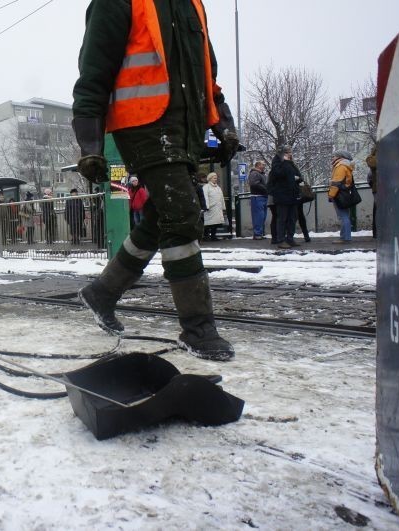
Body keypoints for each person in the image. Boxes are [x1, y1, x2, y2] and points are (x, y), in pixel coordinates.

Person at [72, 0, 240, 361]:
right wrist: (90, 145)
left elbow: (208, 76)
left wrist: (222, 125)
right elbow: (92, 76)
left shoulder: (192, 5)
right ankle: (198, 328)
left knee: (162, 215)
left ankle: (103, 292)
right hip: (144, 125)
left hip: (186, 131)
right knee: (182, 214)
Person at [267, 145, 302, 249]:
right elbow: (278, 173)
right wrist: (286, 162)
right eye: (287, 152)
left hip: (292, 194)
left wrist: (297, 178)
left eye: (290, 152)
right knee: (282, 218)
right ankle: (281, 240)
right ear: (282, 153)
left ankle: (290, 238)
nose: (289, 154)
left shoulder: (290, 163)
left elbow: (298, 175)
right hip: (282, 194)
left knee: (292, 218)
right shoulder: (278, 162)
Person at [328, 150, 356, 243]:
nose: (332, 158)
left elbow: (336, 182)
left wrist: (331, 195)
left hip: (339, 194)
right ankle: (345, 237)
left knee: (343, 216)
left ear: (339, 157)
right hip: (345, 193)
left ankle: (345, 238)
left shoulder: (340, 166)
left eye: (334, 156)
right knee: (345, 215)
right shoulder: (346, 165)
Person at [202, 172, 226, 241]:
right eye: (214, 178)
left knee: (215, 223)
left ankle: (213, 236)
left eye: (216, 178)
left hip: (217, 208)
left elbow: (222, 198)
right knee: (208, 223)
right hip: (210, 208)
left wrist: (223, 207)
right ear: (210, 178)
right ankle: (206, 236)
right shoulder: (206, 187)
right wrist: (206, 206)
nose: (216, 179)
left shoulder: (218, 187)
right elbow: (205, 197)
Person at [248, 161, 268, 240]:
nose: (264, 166)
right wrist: (266, 188)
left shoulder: (261, 174)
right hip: (257, 197)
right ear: (258, 165)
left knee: (262, 216)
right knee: (258, 217)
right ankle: (257, 234)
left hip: (262, 196)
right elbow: (254, 184)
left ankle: (259, 233)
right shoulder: (254, 173)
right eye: (263, 164)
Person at [366, 147, 377, 238]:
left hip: (378, 188)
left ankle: (377, 232)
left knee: (377, 210)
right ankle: (377, 232)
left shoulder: (372, 159)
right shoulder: (372, 159)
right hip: (379, 188)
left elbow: (369, 178)